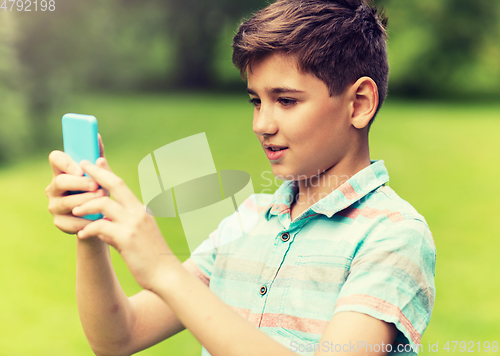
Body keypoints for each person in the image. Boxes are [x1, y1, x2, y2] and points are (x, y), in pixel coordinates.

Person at [45, 0, 436, 355]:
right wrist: (92, 227)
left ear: (359, 103)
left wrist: (164, 272)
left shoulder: (395, 235)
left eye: (286, 101)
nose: (261, 124)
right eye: (256, 101)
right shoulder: (249, 218)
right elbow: (118, 337)